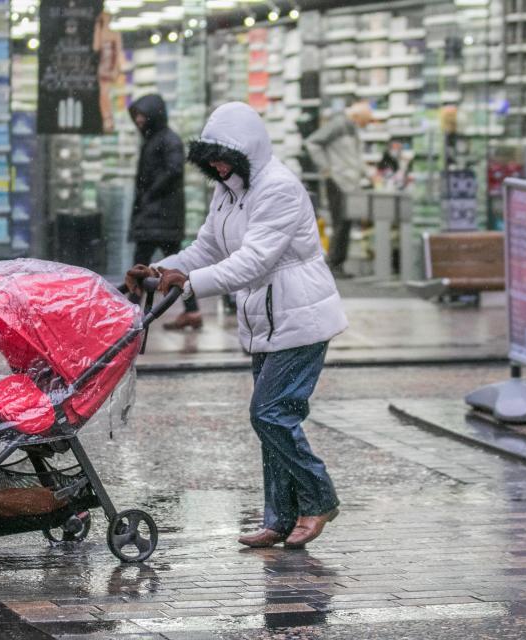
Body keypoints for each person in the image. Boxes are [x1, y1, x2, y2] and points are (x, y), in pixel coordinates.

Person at [126, 102, 348, 548]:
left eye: (226, 158)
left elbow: (252, 261)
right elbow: (206, 248)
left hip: (299, 316)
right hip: (264, 318)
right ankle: (280, 518)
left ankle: (319, 497)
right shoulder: (228, 189)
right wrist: (159, 269)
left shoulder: (278, 188)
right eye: (212, 161)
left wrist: (187, 286)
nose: (219, 167)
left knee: (269, 414)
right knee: (272, 420)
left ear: (249, 151)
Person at [127, 93, 202, 330]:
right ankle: (192, 312)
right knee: (169, 266)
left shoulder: (166, 140)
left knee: (142, 265)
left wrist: (150, 194)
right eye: (136, 116)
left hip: (158, 216)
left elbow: (173, 170)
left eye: (142, 115)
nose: (139, 120)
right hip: (160, 217)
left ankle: (127, 314)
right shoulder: (158, 139)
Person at [304, 101, 373, 279]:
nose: (366, 125)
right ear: (357, 117)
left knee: (346, 223)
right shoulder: (338, 125)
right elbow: (313, 142)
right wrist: (326, 169)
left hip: (349, 183)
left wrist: (367, 173)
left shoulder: (352, 129)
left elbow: (354, 157)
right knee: (340, 223)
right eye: (365, 121)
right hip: (337, 182)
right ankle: (333, 265)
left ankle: (338, 264)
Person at [93, 12, 122, 133]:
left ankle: (108, 118)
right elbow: (96, 47)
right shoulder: (101, 34)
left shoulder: (115, 35)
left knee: (106, 94)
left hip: (110, 67)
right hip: (103, 68)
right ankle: (107, 118)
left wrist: (116, 68)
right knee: (103, 95)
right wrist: (97, 28)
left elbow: (118, 52)